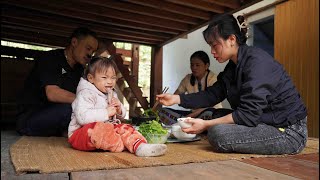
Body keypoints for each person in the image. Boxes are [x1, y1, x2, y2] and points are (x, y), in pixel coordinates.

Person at [156, 14, 307, 155]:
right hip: (262, 121)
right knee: (209, 114)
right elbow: (213, 94)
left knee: (218, 134)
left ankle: (208, 127)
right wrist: (176, 99)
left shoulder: (257, 62)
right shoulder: (232, 66)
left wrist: (206, 126)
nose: (212, 51)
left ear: (232, 40)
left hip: (287, 131)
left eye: (215, 45)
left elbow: (248, 114)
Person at [68, 56, 167, 157]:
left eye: (113, 78)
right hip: (80, 134)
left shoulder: (111, 93)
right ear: (91, 78)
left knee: (126, 127)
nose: (110, 81)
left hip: (107, 130)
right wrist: (106, 113)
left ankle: (140, 146)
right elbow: (82, 118)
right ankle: (123, 144)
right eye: (104, 77)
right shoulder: (85, 94)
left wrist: (119, 109)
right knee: (99, 130)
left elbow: (120, 117)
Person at [16, 27, 99, 137]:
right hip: (31, 119)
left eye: (93, 52)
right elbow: (52, 93)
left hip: (57, 116)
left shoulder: (79, 69)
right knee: (71, 109)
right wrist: (87, 101)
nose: (90, 55)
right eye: (88, 48)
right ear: (74, 42)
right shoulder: (50, 59)